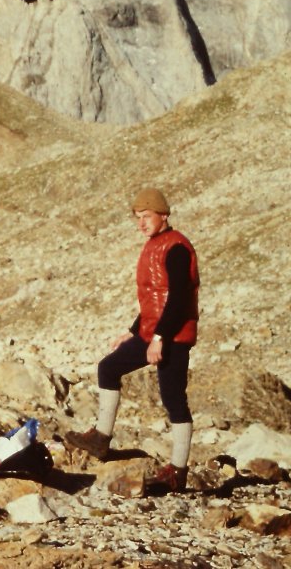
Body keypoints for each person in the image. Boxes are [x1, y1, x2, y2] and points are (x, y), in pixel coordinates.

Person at [65, 187, 200, 491]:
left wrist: (160, 338)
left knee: (173, 397)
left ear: (163, 215)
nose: (141, 223)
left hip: (173, 336)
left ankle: (178, 472)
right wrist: (133, 329)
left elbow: (177, 299)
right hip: (154, 332)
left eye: (146, 216)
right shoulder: (155, 245)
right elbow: (156, 298)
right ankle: (101, 437)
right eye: (138, 218)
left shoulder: (177, 247)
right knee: (109, 368)